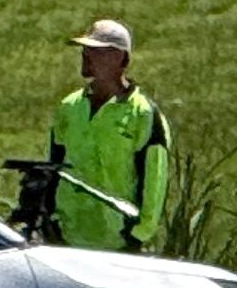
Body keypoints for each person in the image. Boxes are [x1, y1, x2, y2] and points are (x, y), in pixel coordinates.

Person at [49, 19, 171, 255]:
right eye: (86, 50)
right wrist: (52, 224)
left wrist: (138, 235)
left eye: (96, 51)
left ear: (120, 59)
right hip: (67, 240)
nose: (86, 56)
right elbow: (53, 166)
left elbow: (154, 181)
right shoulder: (68, 107)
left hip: (118, 245)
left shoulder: (144, 114)